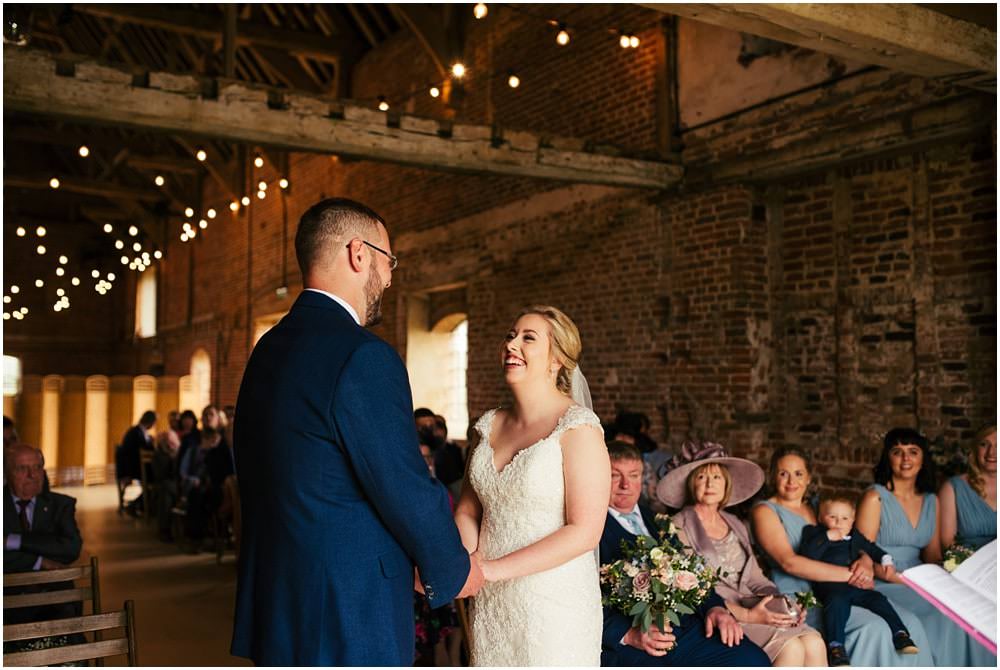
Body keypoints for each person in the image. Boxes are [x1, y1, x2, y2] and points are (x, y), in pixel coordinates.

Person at [231, 198, 481, 666]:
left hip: (278, 597)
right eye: (389, 261)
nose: (389, 277)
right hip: (347, 610)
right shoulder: (363, 356)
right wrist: (452, 567)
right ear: (358, 253)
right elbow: (401, 483)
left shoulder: (268, 348)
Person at [456, 305, 610, 665]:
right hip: (493, 602)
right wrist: (465, 563)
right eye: (511, 335)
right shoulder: (488, 425)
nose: (512, 345)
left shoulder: (578, 428)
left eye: (528, 338)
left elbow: (585, 531)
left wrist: (490, 569)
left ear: (557, 359)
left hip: (553, 603)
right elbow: (468, 508)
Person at [751, 446, 933, 667]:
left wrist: (865, 562)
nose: (791, 481)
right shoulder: (765, 510)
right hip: (799, 596)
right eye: (783, 473)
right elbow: (789, 563)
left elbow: (853, 540)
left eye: (798, 473)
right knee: (871, 628)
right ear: (773, 476)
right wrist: (851, 575)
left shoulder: (819, 508)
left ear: (808, 477)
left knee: (909, 621)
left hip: (838, 588)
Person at [599, 441, 769, 667]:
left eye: (634, 475)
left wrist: (716, 608)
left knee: (753, 661)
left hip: (688, 628)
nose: (625, 485)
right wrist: (627, 633)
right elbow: (579, 598)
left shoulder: (657, 520)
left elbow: (693, 573)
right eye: (614, 475)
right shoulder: (592, 526)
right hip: (636, 638)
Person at [657, 444, 826, 666]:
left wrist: (782, 606)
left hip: (754, 605)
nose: (710, 484)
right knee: (791, 647)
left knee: (815, 642)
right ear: (691, 484)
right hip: (720, 614)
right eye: (702, 477)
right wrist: (749, 615)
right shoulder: (676, 526)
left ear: (726, 483)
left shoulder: (735, 522)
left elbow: (756, 577)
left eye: (717, 477)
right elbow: (692, 592)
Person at [856, 428, 996, 666]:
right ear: (888, 458)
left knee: (962, 616)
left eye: (913, 451)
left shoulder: (932, 501)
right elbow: (861, 551)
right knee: (933, 617)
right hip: (883, 579)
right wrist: (897, 577)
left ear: (923, 459)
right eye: (897, 452)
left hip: (920, 580)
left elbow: (932, 556)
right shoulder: (875, 497)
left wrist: (946, 580)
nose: (906, 458)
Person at [799, 495, 919, 665]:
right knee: (836, 604)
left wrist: (885, 559)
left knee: (878, 599)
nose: (839, 522)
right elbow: (807, 555)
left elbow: (872, 548)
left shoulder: (855, 536)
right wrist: (827, 537)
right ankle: (836, 647)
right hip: (830, 586)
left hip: (857, 586)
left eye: (845, 518)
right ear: (820, 517)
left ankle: (900, 634)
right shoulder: (814, 533)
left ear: (852, 520)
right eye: (832, 517)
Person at [3, 443, 83, 623]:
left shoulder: (60, 505)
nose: (32, 476)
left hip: (55, 598)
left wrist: (13, 542)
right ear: (7, 473)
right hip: (7, 599)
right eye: (23, 469)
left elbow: (71, 549)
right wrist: (40, 561)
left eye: (37, 467)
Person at [939, 424, 996, 550]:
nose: (992, 452)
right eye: (984, 444)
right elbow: (948, 543)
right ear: (975, 449)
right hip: (968, 564)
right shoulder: (953, 488)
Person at [117, 410, 156, 516]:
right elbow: (144, 449)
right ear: (151, 422)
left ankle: (140, 505)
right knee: (156, 479)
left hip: (132, 466)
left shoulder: (137, 431)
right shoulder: (137, 433)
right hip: (132, 468)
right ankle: (139, 505)